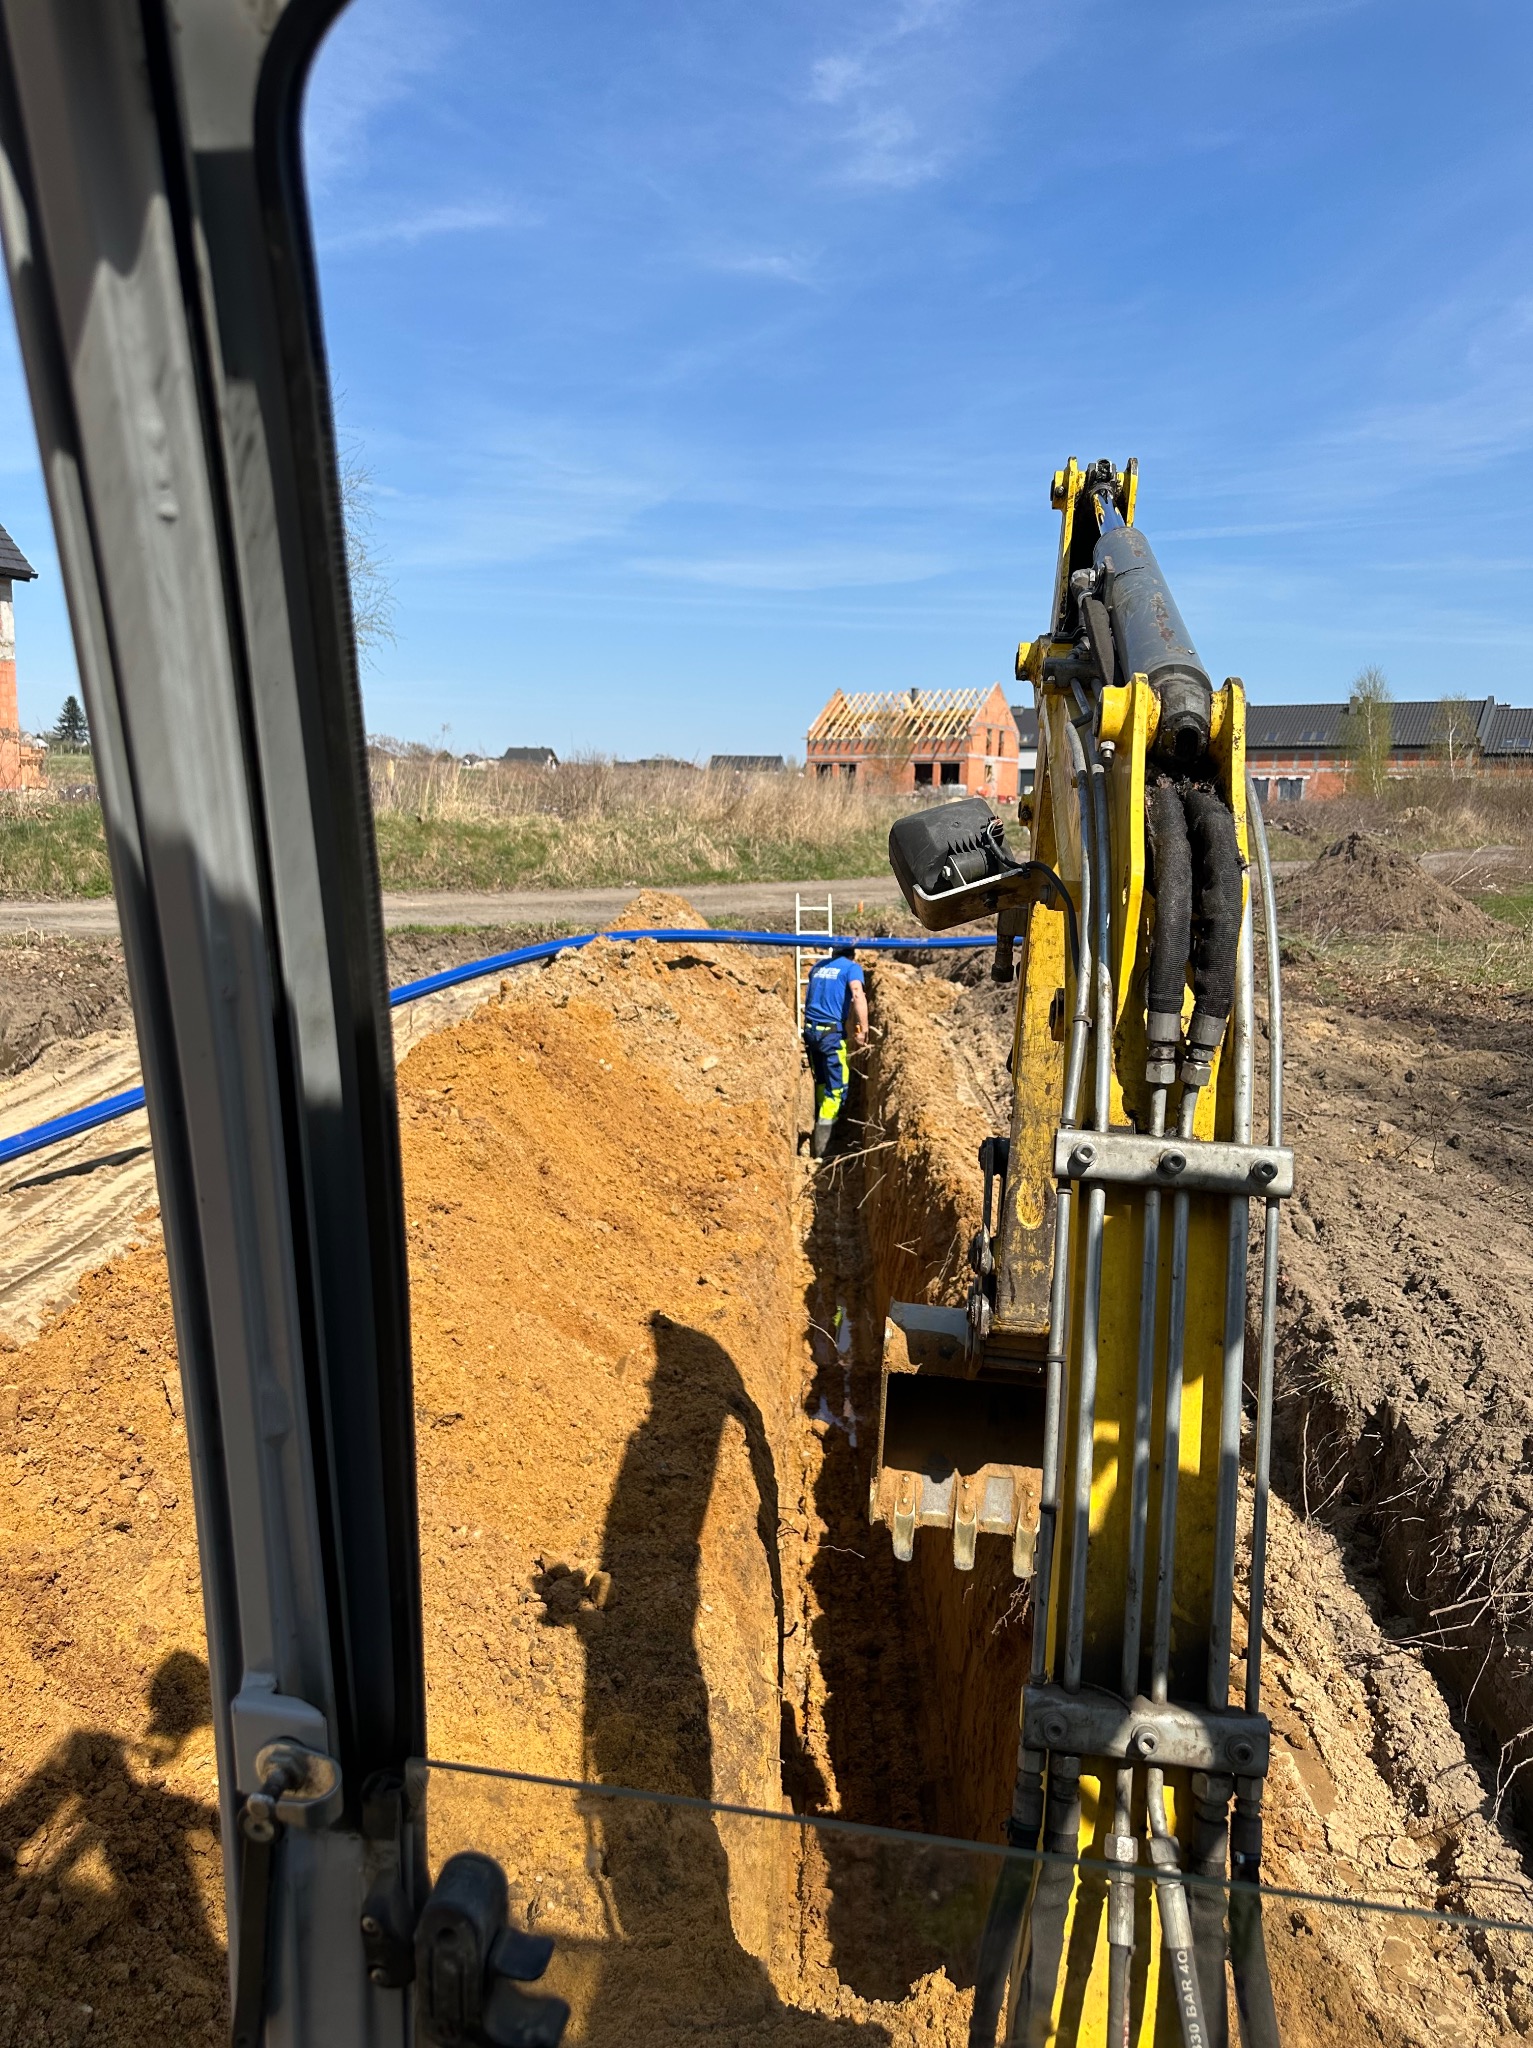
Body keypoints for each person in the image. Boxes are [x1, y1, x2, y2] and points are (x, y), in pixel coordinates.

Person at [802, 942, 868, 1158]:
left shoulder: (818, 967)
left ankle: (820, 1118)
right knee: (837, 1091)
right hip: (831, 1036)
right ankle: (823, 1150)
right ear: (852, 954)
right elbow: (857, 995)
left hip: (811, 1031)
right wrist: (863, 1030)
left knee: (821, 1080)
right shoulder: (851, 968)